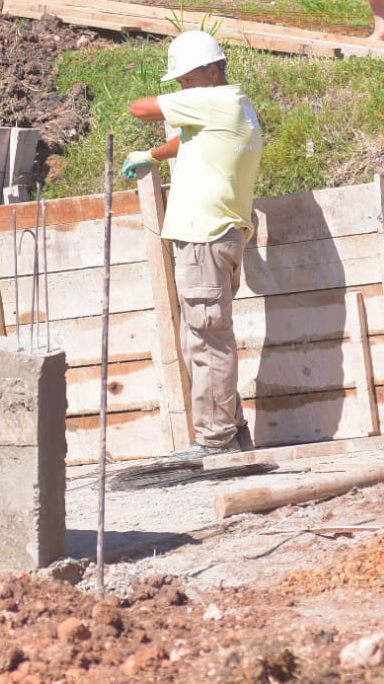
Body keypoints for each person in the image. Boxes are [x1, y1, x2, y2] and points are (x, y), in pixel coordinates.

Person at [121, 30, 263, 461]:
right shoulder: (234, 108)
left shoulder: (214, 99)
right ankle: (233, 432)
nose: (181, 86)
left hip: (204, 236)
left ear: (212, 70)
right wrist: (155, 154)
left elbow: (139, 108)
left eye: (186, 78)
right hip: (218, 234)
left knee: (206, 340)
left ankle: (214, 439)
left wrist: (165, 115)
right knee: (206, 335)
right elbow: (191, 140)